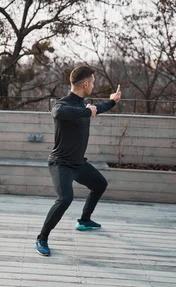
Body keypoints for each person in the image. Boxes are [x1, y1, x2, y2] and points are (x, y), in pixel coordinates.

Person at [35, 66, 122, 256]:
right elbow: (59, 113)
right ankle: (42, 237)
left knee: (100, 184)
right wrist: (86, 112)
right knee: (65, 198)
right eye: (92, 82)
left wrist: (112, 101)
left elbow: (98, 108)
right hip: (60, 164)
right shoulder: (63, 104)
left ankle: (84, 220)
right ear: (85, 84)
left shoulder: (85, 105)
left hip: (78, 163)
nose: (93, 85)